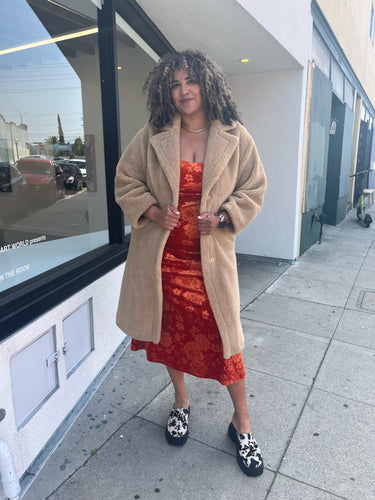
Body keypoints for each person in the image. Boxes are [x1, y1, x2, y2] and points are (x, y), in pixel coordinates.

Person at [115, 50, 267, 476]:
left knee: (227, 344)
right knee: (171, 336)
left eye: (190, 82)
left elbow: (254, 188)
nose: (183, 91)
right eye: (175, 84)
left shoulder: (236, 136)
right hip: (163, 261)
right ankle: (181, 402)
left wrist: (221, 217)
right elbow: (125, 180)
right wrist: (151, 210)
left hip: (210, 262)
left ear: (207, 84)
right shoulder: (152, 135)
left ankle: (242, 422)